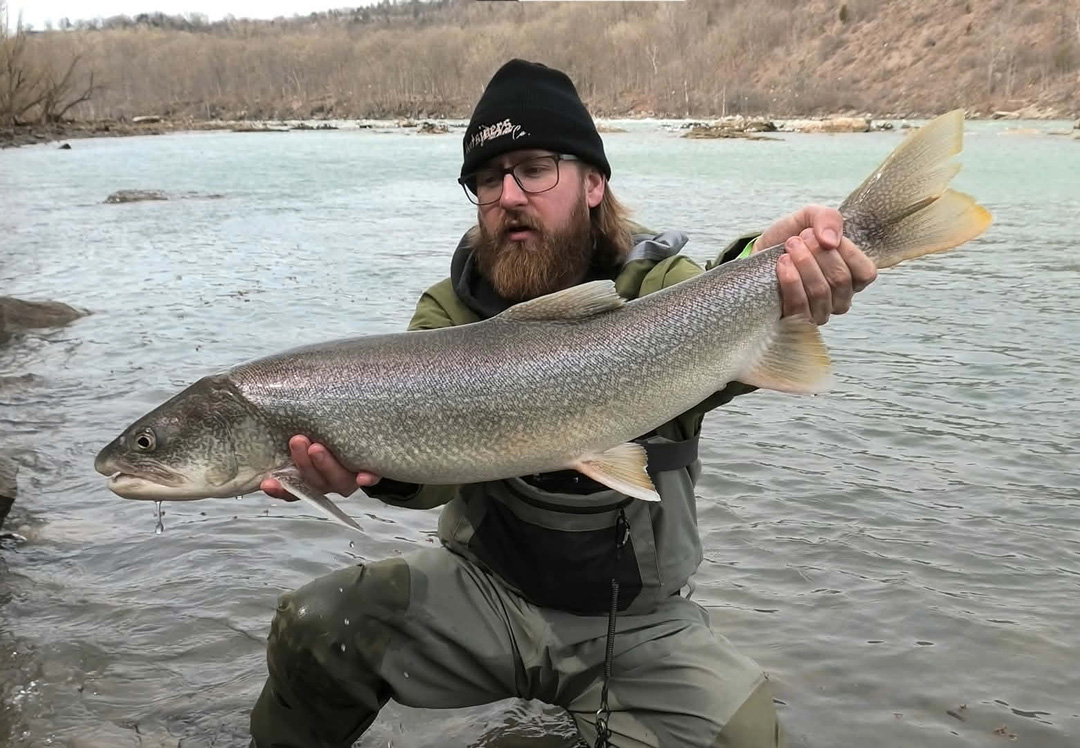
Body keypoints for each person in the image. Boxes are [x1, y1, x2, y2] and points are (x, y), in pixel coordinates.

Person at [250, 59, 876, 748]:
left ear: (594, 183)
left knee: (744, 735)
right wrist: (367, 466)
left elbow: (713, 308)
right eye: (489, 177)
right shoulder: (447, 312)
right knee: (316, 627)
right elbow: (426, 475)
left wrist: (769, 262)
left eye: (536, 167)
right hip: (482, 595)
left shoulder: (657, 283)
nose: (510, 194)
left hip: (635, 624)